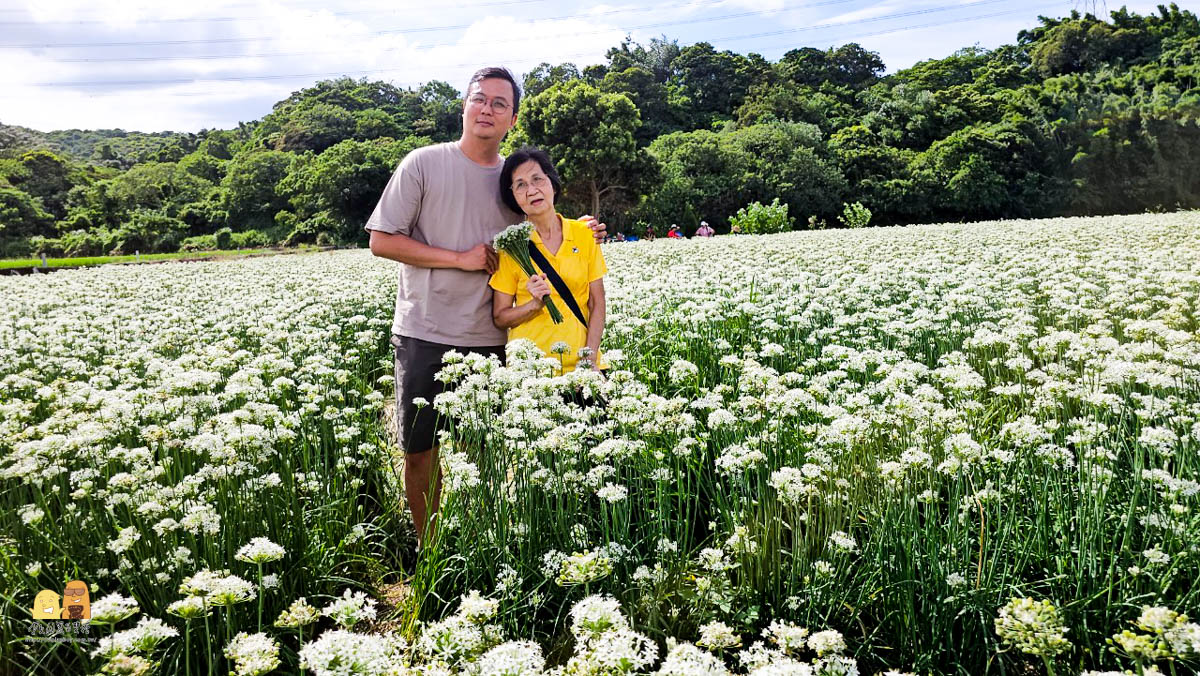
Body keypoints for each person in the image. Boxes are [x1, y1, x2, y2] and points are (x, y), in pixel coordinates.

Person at [365, 67, 604, 546]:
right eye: (480, 99)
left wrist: (579, 228)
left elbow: (541, 221)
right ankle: (430, 553)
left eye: (500, 103)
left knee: (488, 456)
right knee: (420, 451)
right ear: (464, 106)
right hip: (426, 330)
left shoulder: (512, 176)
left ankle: (480, 546)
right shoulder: (423, 163)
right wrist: (460, 259)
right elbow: (381, 241)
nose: (488, 109)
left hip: (499, 338)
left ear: (512, 118)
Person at [490, 147, 606, 375]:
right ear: (513, 196)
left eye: (537, 179)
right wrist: (534, 305)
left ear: (552, 183)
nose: (531, 190)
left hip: (583, 368)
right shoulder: (511, 247)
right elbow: (500, 317)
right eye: (520, 185)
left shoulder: (585, 234)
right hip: (531, 371)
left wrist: (589, 358)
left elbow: (597, 302)